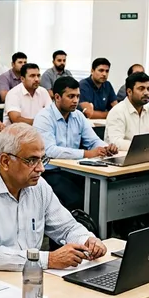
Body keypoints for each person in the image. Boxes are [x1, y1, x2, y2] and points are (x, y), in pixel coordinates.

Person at [0, 124, 107, 278]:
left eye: (42, 159)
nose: (41, 168)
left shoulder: (38, 186)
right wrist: (49, 259)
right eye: (32, 160)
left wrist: (88, 240)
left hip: (27, 276)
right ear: (5, 161)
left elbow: (67, 227)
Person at [34, 77, 117, 209]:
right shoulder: (44, 117)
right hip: (50, 172)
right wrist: (87, 154)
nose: (75, 101)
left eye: (77, 96)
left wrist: (106, 147)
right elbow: (49, 151)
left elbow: (93, 140)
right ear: (57, 97)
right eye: (71, 96)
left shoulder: (78, 115)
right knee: (77, 199)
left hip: (74, 169)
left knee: (103, 191)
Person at [104, 72, 149, 151]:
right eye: (141, 89)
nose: (146, 93)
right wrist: (146, 145)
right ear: (129, 91)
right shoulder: (117, 111)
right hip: (120, 158)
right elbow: (116, 142)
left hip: (144, 156)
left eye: (148, 89)